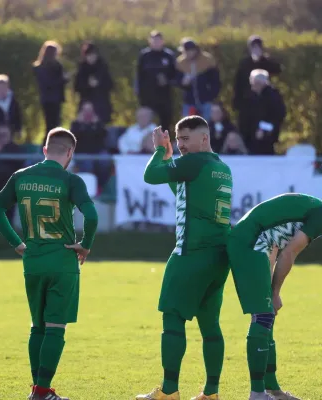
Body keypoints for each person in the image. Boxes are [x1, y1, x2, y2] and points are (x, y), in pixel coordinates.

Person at [227, 194, 322, 400]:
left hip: (257, 246)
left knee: (267, 318)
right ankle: (257, 393)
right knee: (263, 316)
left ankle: (273, 390)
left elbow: (275, 235)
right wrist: (275, 292)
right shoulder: (321, 216)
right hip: (250, 245)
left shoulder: (319, 210)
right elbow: (290, 253)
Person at [0, 127, 99, 400]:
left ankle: (38, 389)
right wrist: (85, 245)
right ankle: (41, 391)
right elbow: (92, 216)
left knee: (37, 326)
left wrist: (16, 242)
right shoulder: (71, 180)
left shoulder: (21, 177)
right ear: (70, 153)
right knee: (55, 327)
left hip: (33, 260)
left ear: (45, 149)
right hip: (62, 260)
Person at [136, 116, 232, 400]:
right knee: (210, 324)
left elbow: (150, 176)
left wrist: (158, 152)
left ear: (204, 138)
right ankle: (211, 393)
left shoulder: (194, 162)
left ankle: (169, 391)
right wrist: (170, 159)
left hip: (191, 253)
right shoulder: (221, 166)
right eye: (178, 141)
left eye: (186, 139)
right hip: (218, 256)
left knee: (172, 319)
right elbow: (182, 193)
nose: (181, 147)